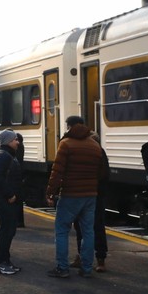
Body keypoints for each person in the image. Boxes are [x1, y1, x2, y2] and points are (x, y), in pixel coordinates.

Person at [45, 115, 107, 278]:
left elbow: (57, 171)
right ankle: (87, 269)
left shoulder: (65, 144)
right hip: (90, 196)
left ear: (69, 127)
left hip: (70, 195)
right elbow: (101, 173)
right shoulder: (95, 146)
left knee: (62, 230)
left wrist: (50, 191)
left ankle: (62, 267)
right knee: (88, 232)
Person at [72, 132, 111, 272]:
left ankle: (99, 259)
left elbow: (104, 175)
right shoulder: (93, 153)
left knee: (93, 228)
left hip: (93, 196)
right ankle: (84, 257)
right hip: (87, 195)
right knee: (84, 227)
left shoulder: (99, 153)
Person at [0, 129, 23, 275]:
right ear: (8, 141)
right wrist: (10, 194)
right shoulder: (3, 156)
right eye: (15, 139)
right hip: (4, 201)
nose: (18, 142)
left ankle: (6, 260)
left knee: (9, 231)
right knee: (6, 231)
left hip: (8, 200)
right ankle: (0, 263)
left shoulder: (8, 155)